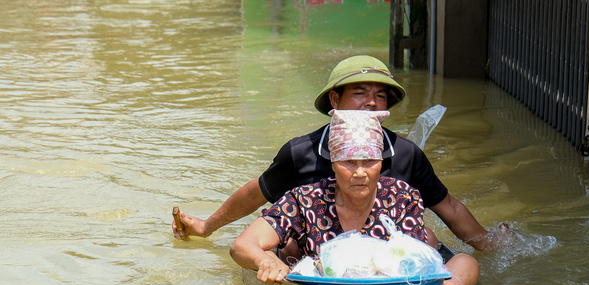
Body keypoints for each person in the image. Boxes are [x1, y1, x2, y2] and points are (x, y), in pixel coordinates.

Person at [173, 55, 512, 251]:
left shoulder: (405, 154)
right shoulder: (302, 151)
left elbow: (448, 206)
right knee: (289, 245)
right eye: (360, 92)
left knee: (428, 238)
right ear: (335, 101)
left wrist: (491, 245)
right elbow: (256, 193)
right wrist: (208, 226)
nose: (370, 102)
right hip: (316, 253)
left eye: (380, 95)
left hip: (388, 255)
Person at [230, 110, 479, 285]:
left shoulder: (403, 197)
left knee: (461, 261)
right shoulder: (306, 199)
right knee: (283, 251)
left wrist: (449, 282)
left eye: (369, 162)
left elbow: (412, 265)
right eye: (349, 162)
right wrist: (266, 261)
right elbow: (242, 245)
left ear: (381, 165)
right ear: (334, 165)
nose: (360, 173)